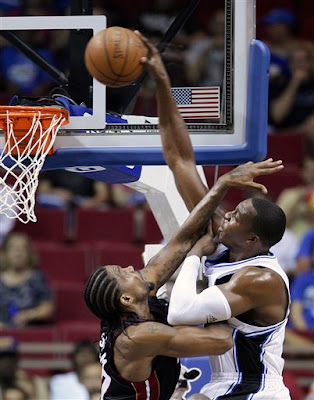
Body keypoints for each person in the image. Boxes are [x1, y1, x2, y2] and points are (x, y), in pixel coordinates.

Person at [136, 33, 291, 399]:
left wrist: (193, 255)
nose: (226, 218)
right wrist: (161, 81)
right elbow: (180, 161)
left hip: (258, 393)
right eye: (231, 210)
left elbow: (181, 313)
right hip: (222, 387)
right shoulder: (228, 241)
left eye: (236, 216)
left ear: (252, 240)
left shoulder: (260, 279)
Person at [0, 232, 54, 327]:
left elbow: (47, 308)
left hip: (30, 331)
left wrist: (28, 315)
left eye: (22, 249)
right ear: (4, 253)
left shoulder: (37, 277)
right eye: (13, 249)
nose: (18, 253)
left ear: (29, 253)